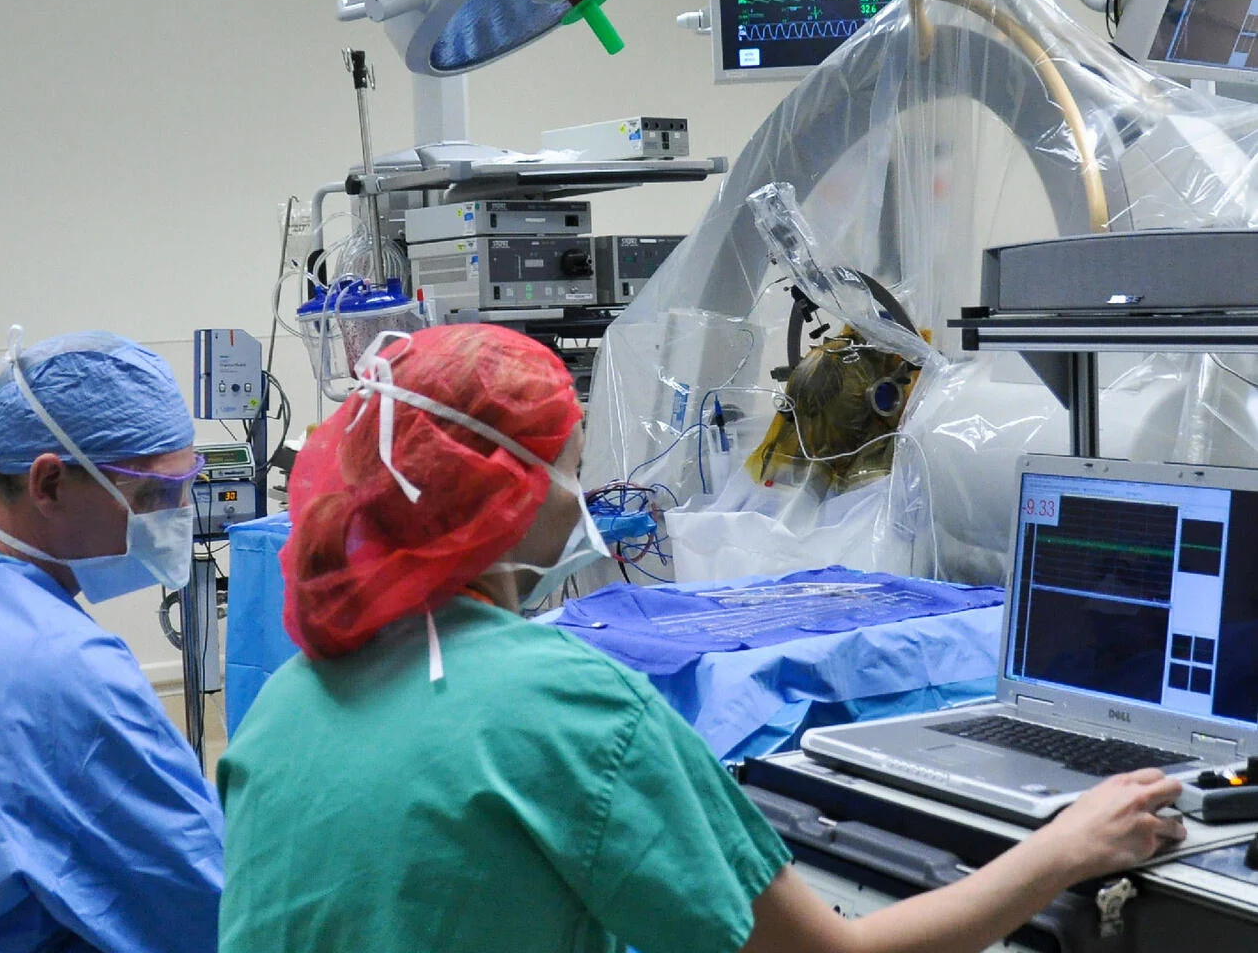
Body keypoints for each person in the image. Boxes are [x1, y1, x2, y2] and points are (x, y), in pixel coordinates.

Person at [217, 324, 1185, 953]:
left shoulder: (292, 696)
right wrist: (1062, 850)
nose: (581, 494)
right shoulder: (566, 701)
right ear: (502, 492)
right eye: (569, 464)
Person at [0, 327, 223, 953]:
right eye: (152, 493)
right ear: (47, 485)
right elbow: (213, 908)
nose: (174, 517)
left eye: (185, 487)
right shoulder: (61, 670)